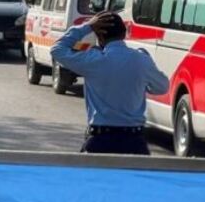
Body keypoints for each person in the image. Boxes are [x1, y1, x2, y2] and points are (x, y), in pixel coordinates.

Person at [50, 12, 169, 155]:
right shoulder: (141, 60)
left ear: (99, 37)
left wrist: (87, 27)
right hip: (134, 142)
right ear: (124, 34)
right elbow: (162, 87)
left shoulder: (93, 60)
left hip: (100, 141)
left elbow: (57, 49)